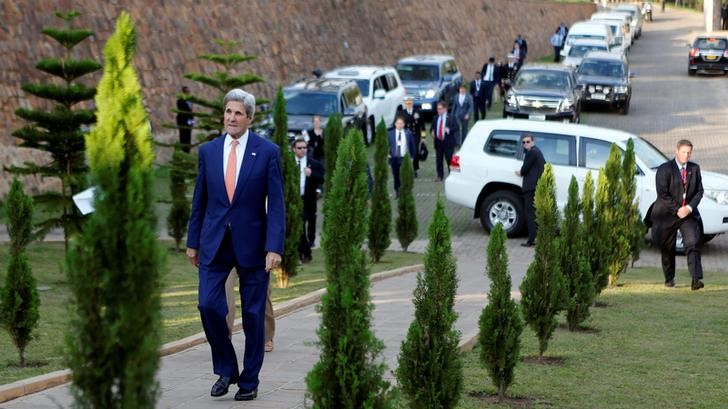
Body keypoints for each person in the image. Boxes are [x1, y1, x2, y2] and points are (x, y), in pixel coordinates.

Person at [186, 88, 285, 401]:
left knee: (254, 315)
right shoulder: (209, 152)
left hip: (253, 246)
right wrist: (193, 242)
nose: (231, 118)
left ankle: (249, 381)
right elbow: (199, 200)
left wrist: (274, 247)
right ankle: (227, 368)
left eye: (238, 113)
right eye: (228, 112)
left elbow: (278, 204)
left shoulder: (267, 152)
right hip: (214, 243)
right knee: (207, 304)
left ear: (250, 118)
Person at [649, 139, 704, 290]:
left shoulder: (695, 168)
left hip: (688, 214)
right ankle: (669, 278)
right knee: (668, 248)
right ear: (676, 151)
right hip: (667, 213)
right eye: (683, 152)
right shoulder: (664, 169)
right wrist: (677, 209)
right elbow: (662, 193)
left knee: (693, 242)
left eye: (689, 153)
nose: (686, 156)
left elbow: (700, 191)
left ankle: (695, 279)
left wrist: (689, 208)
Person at [292, 136, 324, 261]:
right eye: (299, 148)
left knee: (308, 223)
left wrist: (312, 174)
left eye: (305, 147)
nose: (303, 150)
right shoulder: (288, 162)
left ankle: (306, 250)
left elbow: (322, 178)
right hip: (293, 199)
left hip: (308, 199)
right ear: (294, 149)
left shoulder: (313, 163)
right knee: (299, 226)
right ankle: (305, 253)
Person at [514, 133, 545, 247]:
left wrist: (520, 172)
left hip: (530, 187)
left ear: (533, 141)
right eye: (524, 142)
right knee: (533, 213)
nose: (525, 144)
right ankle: (535, 237)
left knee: (530, 214)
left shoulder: (532, 152)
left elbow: (525, 169)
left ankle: (531, 240)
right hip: (535, 186)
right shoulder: (536, 151)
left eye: (528, 142)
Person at [389, 116, 418, 196]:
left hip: (404, 158)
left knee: (404, 175)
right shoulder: (390, 134)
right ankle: (397, 190)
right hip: (394, 158)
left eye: (401, 123)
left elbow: (412, 146)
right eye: (398, 123)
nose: (399, 125)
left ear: (404, 124)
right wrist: (388, 154)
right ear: (395, 124)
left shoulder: (408, 133)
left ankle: (405, 190)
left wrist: (412, 157)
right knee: (396, 175)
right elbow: (387, 145)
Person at [431, 101, 458, 182]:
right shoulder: (435, 118)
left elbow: (456, 127)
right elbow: (432, 128)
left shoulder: (451, 117)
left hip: (448, 143)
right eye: (437, 109)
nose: (438, 111)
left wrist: (449, 130)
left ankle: (453, 175)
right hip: (438, 142)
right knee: (438, 160)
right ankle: (440, 176)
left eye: (440, 109)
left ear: (445, 109)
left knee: (450, 159)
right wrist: (432, 131)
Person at [397, 97, 423, 177]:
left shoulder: (418, 112)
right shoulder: (401, 113)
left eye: (410, 103)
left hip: (415, 135)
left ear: (412, 103)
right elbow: (399, 125)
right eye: (407, 103)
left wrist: (424, 138)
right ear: (405, 104)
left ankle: (415, 169)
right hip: (405, 135)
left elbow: (423, 126)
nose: (408, 105)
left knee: (415, 153)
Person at [176, 86, 194, 153]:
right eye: (187, 91)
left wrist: (192, 121)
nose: (188, 93)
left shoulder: (190, 100)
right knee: (183, 136)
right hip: (183, 122)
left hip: (189, 121)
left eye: (189, 91)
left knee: (188, 136)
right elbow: (181, 112)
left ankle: (188, 151)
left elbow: (191, 112)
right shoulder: (180, 101)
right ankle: (183, 150)